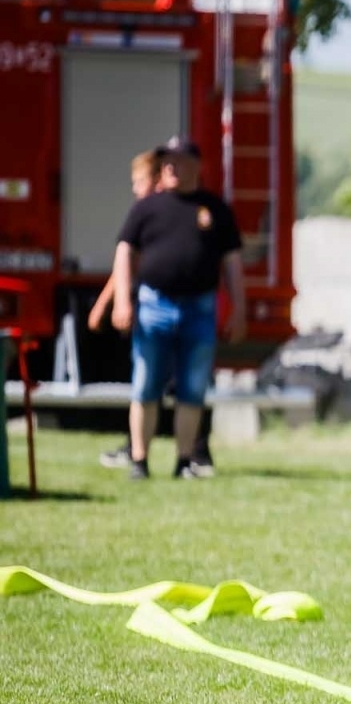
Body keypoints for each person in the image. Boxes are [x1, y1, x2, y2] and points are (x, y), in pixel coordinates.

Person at [109, 137, 245, 480]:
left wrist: (239, 308)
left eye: (177, 160)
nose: (170, 166)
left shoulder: (214, 209)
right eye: (166, 161)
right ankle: (139, 460)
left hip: (200, 307)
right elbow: (125, 252)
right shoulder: (147, 207)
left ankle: (185, 460)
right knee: (145, 384)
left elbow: (232, 262)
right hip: (154, 306)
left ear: (196, 166)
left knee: (193, 387)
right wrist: (123, 299)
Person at [93, 149, 161, 471]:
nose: (135, 189)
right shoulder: (143, 212)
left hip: (161, 307)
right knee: (141, 381)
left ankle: (196, 451)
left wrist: (109, 302)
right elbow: (125, 263)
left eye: (140, 181)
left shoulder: (162, 213)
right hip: (141, 305)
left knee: (166, 383)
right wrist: (107, 302)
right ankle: (134, 446)